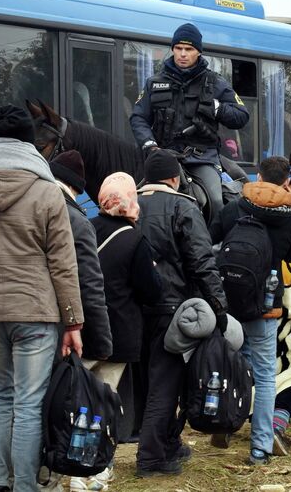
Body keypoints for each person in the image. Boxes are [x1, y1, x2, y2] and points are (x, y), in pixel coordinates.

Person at [0, 105, 84, 492]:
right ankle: (25, 486)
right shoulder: (47, 191)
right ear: (33, 143)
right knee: (29, 405)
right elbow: (63, 263)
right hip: (36, 312)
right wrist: (74, 321)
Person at [135, 149, 229, 477]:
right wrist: (218, 307)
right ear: (175, 178)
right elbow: (203, 263)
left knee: (145, 383)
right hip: (172, 310)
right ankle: (150, 459)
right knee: (165, 385)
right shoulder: (183, 206)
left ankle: (168, 444)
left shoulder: (128, 206)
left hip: (132, 311)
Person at [212, 156, 291, 465]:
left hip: (231, 301)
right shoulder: (290, 216)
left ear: (259, 175)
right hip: (266, 305)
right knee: (265, 375)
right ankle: (259, 448)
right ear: (286, 182)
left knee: (231, 365)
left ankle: (224, 423)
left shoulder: (233, 208)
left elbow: (211, 238)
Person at [129, 23, 250, 224]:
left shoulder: (215, 83)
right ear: (173, 49)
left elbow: (242, 116)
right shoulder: (154, 82)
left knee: (216, 201)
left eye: (189, 49)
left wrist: (217, 108)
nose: (183, 54)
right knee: (130, 199)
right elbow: (138, 117)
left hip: (201, 159)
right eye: (178, 48)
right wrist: (149, 145)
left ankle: (212, 248)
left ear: (198, 52)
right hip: (162, 156)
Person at [86, 172, 162, 488]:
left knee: (77, 397)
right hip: (118, 335)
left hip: (83, 330)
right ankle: (96, 469)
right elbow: (152, 292)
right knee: (105, 400)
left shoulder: (87, 229)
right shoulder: (134, 240)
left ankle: (68, 460)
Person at [49, 150, 113, 363]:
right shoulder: (78, 222)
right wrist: (102, 343)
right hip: (51, 326)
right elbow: (89, 284)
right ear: (76, 188)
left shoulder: (28, 205)